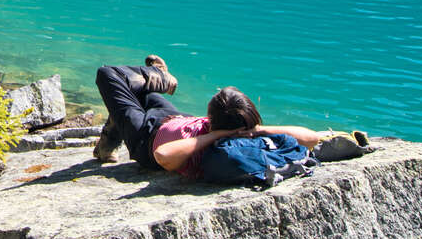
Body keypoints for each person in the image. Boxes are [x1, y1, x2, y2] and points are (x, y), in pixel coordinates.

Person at [94, 56, 322, 180]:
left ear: (211, 119)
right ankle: (107, 144)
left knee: (109, 76)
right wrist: (258, 128)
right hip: (175, 119)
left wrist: (216, 135)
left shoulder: (222, 147)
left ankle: (158, 76)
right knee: (134, 94)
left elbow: (162, 155)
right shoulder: (246, 133)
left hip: (145, 135)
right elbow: (312, 138)